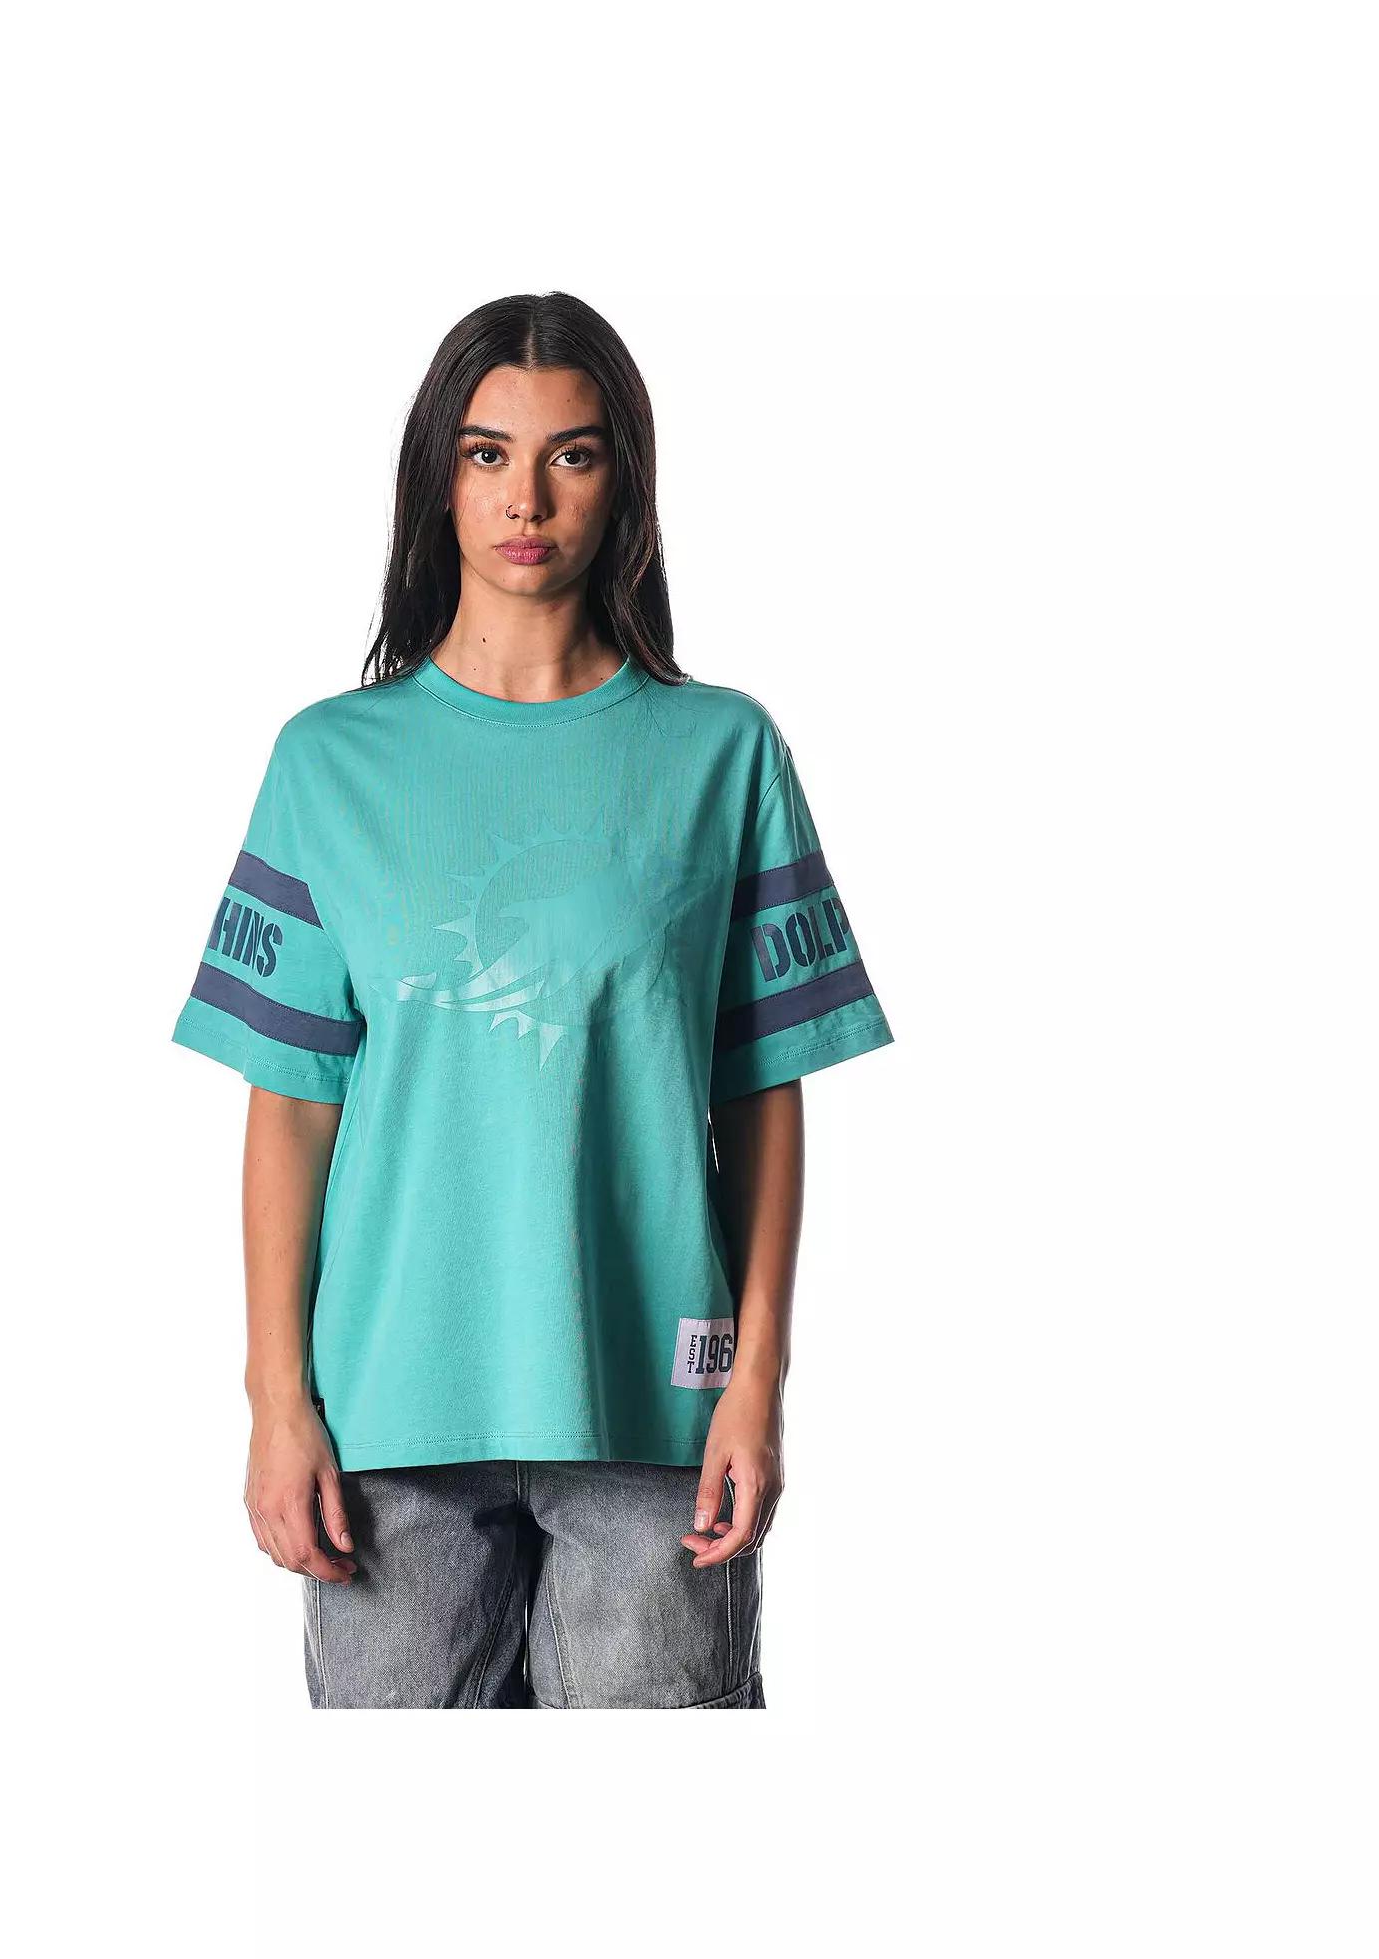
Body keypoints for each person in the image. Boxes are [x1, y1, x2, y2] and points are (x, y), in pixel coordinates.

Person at [171, 291, 895, 1708]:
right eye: (487, 453)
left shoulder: (723, 754)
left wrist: (758, 1381)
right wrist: (275, 1404)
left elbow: (763, 1091)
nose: (527, 499)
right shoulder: (329, 764)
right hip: (385, 1430)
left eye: (573, 454)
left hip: (653, 1418)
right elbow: (291, 1110)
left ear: (625, 482)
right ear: (435, 478)